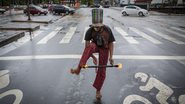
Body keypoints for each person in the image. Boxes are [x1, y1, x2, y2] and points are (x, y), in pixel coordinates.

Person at [70, 8, 115, 100]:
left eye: (98, 26)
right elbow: (87, 47)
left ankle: (98, 90)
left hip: (105, 48)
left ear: (102, 25)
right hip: (95, 46)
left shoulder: (107, 30)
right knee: (90, 47)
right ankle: (78, 69)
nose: (96, 28)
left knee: (102, 71)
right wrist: (93, 57)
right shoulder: (90, 31)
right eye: (95, 26)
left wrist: (111, 57)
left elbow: (111, 43)